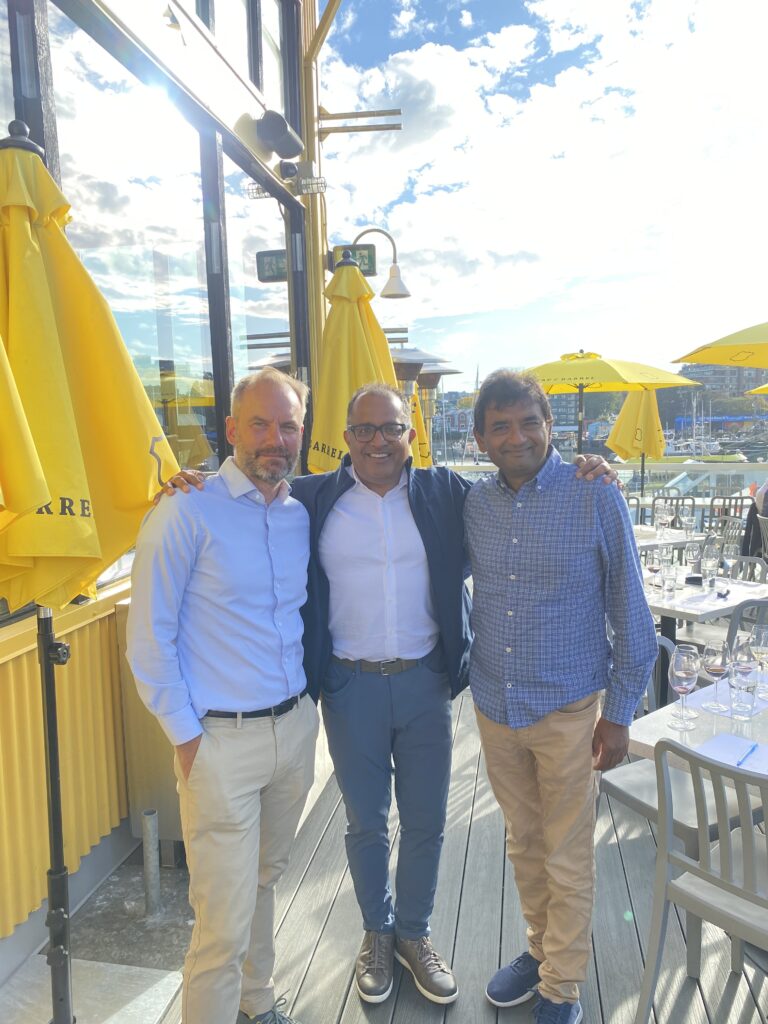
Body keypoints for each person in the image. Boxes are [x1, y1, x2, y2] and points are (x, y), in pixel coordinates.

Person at [165, 380, 616, 1010]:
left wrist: (589, 468)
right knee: (366, 821)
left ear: (411, 435)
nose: (378, 441)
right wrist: (195, 480)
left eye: (391, 428)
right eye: (365, 429)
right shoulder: (310, 497)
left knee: (427, 820)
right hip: (348, 687)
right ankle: (377, 933)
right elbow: (249, 490)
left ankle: (413, 933)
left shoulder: (447, 493)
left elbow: (518, 483)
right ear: (346, 438)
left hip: (426, 682)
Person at [126, 368, 320, 1024]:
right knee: (220, 925)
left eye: (288, 426)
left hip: (294, 732)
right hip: (219, 743)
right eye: (259, 424)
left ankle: (256, 1004)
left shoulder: (298, 512)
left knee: (262, 884)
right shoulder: (186, 509)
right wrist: (187, 738)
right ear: (232, 428)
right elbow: (148, 636)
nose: (275, 439)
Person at [465, 370, 657, 1024]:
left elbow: (632, 616)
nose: (516, 437)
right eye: (500, 426)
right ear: (480, 439)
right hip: (495, 706)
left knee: (568, 852)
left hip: (570, 711)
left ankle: (562, 986)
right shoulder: (474, 503)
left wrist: (620, 715)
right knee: (524, 842)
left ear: (550, 427)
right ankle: (542, 949)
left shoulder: (594, 494)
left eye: (529, 422)